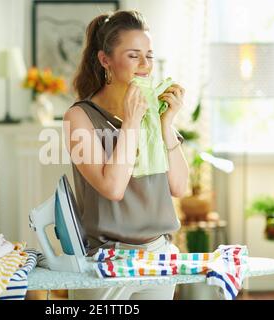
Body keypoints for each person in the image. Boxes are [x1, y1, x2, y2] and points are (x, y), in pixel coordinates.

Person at [63, 10, 189, 300]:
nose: (145, 65)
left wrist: (166, 124)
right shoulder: (79, 117)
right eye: (134, 56)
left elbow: (180, 187)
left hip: (158, 256)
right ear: (105, 60)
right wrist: (132, 122)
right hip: (105, 261)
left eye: (149, 55)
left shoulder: (154, 112)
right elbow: (113, 188)